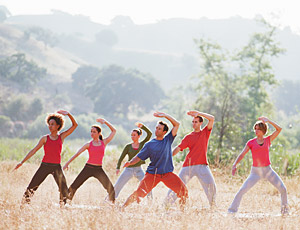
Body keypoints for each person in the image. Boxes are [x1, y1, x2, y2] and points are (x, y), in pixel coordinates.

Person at [122, 112, 188, 209]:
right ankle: (122, 208)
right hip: (153, 174)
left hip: (167, 174)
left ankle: (182, 212)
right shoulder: (149, 144)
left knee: (184, 192)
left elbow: (177, 124)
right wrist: (130, 162)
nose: (156, 130)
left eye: (159, 129)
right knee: (139, 193)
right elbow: (139, 157)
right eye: (156, 128)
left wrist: (165, 116)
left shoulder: (168, 139)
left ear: (164, 132)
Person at [14, 110, 78, 205]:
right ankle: (23, 206)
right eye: (49, 124)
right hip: (45, 166)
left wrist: (68, 114)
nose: (50, 126)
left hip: (57, 167)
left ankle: (63, 207)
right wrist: (22, 162)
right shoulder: (45, 138)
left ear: (58, 126)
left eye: (52, 124)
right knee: (32, 187)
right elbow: (34, 150)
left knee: (64, 189)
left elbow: (75, 125)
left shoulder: (61, 137)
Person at [228, 116, 288, 215]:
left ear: (263, 131)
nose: (256, 131)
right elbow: (242, 154)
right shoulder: (251, 143)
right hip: (255, 172)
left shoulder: (268, 140)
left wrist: (268, 120)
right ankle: (231, 211)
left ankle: (285, 212)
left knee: (283, 189)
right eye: (255, 129)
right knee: (242, 190)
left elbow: (279, 129)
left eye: (258, 129)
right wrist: (235, 164)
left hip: (268, 170)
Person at [166, 110, 216, 207]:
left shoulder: (205, 132)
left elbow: (212, 118)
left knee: (211, 186)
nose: (194, 124)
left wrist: (199, 113)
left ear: (201, 123)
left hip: (202, 166)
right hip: (188, 166)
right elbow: (178, 148)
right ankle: (166, 205)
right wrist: (167, 157)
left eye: (196, 122)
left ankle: (213, 206)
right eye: (193, 122)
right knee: (177, 186)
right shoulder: (188, 137)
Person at [63, 118, 116, 203]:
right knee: (74, 186)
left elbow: (114, 131)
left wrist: (105, 122)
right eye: (91, 131)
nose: (92, 133)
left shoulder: (104, 142)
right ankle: (64, 203)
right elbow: (77, 154)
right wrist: (67, 163)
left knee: (111, 188)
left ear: (99, 133)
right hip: (88, 168)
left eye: (94, 132)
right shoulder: (88, 144)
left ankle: (112, 206)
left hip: (99, 169)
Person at [114, 122, 152, 199]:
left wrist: (142, 127)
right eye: (131, 135)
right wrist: (118, 167)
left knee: (147, 185)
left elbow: (149, 134)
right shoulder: (128, 146)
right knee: (117, 185)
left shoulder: (142, 144)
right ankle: (109, 200)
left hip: (139, 169)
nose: (132, 137)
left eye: (134, 135)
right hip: (129, 169)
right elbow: (121, 157)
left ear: (139, 136)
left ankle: (150, 202)